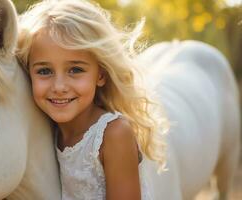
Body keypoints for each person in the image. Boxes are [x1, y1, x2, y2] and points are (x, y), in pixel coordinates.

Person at [16, 0, 169, 199]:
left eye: (75, 70)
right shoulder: (44, 129)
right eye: (44, 71)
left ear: (101, 75)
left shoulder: (114, 134)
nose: (59, 87)